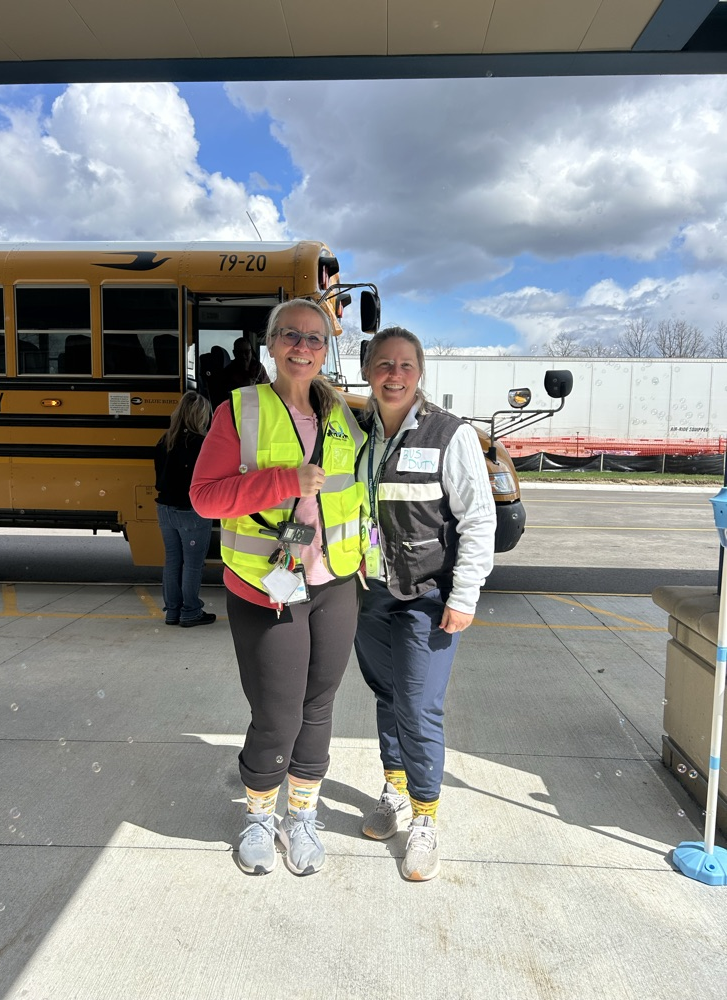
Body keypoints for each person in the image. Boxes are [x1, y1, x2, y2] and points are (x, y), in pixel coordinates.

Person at [190, 299, 366, 877]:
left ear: (325, 351)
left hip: (333, 583)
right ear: (270, 344)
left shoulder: (341, 414)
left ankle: (302, 816)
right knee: (276, 712)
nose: (303, 346)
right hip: (267, 588)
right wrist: (284, 482)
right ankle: (260, 817)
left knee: (318, 705)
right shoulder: (238, 411)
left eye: (315, 339)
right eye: (291, 335)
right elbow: (205, 497)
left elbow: (361, 484)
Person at [354, 327, 496, 881]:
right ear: (368, 370)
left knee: (418, 705)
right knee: (385, 694)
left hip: (426, 596)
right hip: (369, 592)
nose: (395, 374)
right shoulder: (355, 430)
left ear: (420, 374)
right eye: (384, 364)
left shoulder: (448, 434)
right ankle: (394, 788)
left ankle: (425, 818)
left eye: (406, 365)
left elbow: (478, 519)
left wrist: (464, 596)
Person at [154, 391, 216, 628]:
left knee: (172, 561)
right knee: (192, 563)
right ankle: (190, 611)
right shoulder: (202, 443)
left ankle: (172, 611)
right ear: (201, 416)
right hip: (191, 510)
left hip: (165, 508)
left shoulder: (164, 440)